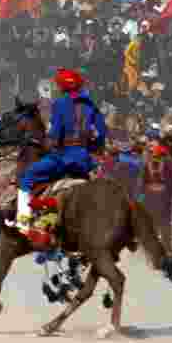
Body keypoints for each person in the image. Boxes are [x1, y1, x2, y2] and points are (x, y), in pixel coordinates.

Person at [17, 68, 106, 247]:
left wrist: (49, 144)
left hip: (64, 158)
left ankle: (23, 222)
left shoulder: (60, 104)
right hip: (85, 161)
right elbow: (102, 135)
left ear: (62, 87)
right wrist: (89, 148)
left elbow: (55, 135)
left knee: (28, 176)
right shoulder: (91, 106)